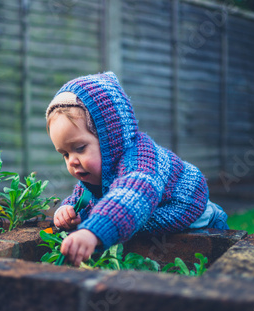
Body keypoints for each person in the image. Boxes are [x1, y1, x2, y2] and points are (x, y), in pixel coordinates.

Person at [46, 72, 228, 266]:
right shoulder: (92, 176)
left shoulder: (141, 161)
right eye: (65, 154)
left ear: (110, 138)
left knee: (207, 268)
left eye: (80, 148)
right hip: (153, 226)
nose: (72, 161)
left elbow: (131, 196)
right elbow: (85, 197)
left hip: (196, 218)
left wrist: (93, 232)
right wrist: (67, 211)